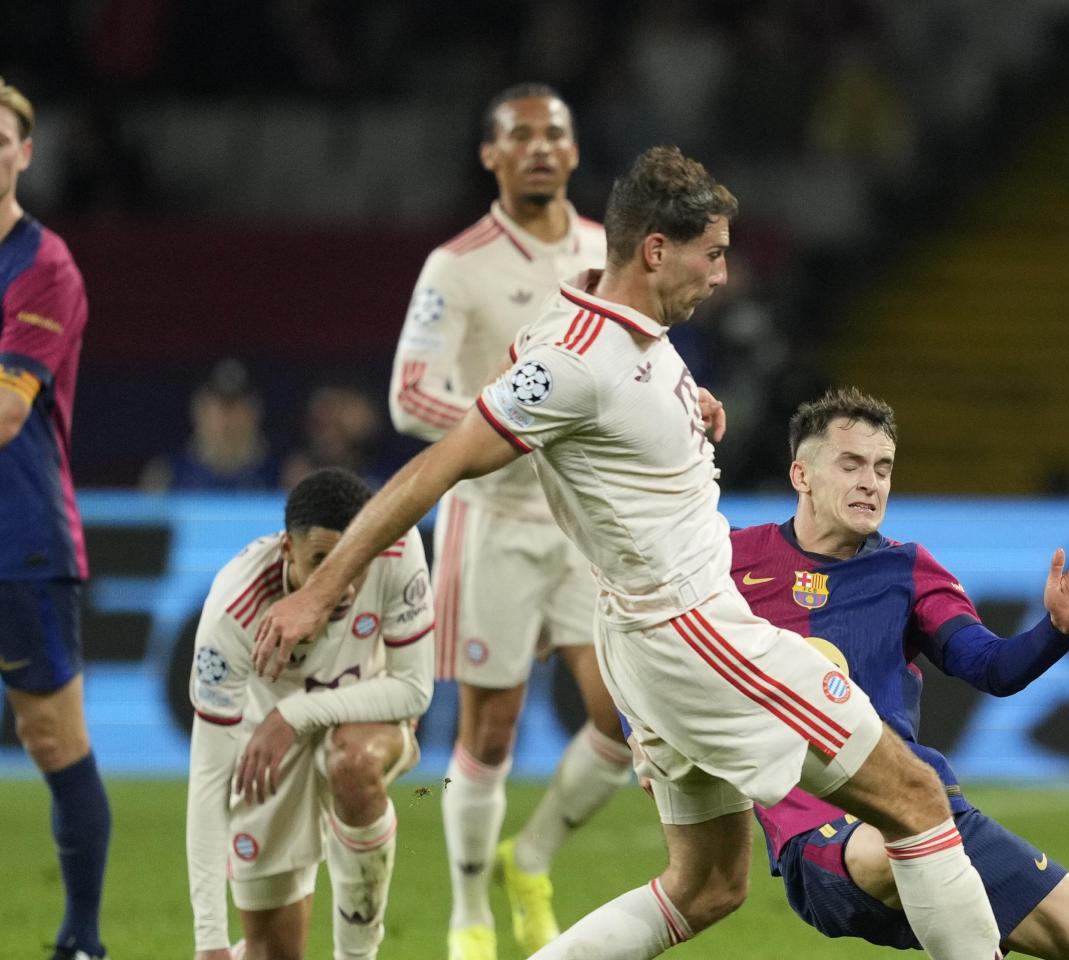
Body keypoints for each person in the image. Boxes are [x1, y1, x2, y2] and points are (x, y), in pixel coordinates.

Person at [257, 145, 1007, 960]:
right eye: (712, 253)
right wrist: (319, 587)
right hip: (697, 634)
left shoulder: (602, 327)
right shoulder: (581, 363)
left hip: (641, 639)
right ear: (656, 250)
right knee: (917, 797)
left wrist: (685, 413)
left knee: (708, 884)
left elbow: (586, 381)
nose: (722, 275)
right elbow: (441, 464)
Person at [737, 388, 1069, 960]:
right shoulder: (734, 561)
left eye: (883, 468)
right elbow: (648, 633)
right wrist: (642, 732)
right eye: (852, 464)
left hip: (932, 811)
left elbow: (990, 667)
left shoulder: (908, 570)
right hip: (827, 838)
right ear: (802, 475)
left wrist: (1057, 629)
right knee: (905, 844)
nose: (871, 482)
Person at [385, 81, 623, 959]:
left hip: (585, 524)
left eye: (553, 133)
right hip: (491, 518)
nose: (538, 147)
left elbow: (643, 361)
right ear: (490, 154)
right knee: (490, 729)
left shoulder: (610, 251)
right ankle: (470, 915)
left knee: (624, 721)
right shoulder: (459, 265)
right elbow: (410, 390)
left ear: (572, 150)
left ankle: (536, 856)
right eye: (518, 136)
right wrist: (503, 429)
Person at [185, 467, 435, 960]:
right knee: (272, 953)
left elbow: (413, 689)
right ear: (287, 551)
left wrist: (297, 712)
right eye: (320, 561)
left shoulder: (398, 546)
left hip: (368, 709)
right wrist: (209, 940)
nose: (339, 584)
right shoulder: (234, 610)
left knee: (354, 762)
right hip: (267, 742)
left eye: (351, 562)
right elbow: (209, 777)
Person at [0, 77, 110, 960]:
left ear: (24, 153)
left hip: (19, 537)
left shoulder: (45, 265)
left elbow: (5, 413)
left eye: (0, 136)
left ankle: (80, 938)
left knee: (50, 735)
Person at [138, 358, 280, 491]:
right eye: (219, 408)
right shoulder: (166, 477)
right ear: (198, 410)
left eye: (238, 407)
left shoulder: (283, 476)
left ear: (256, 411)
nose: (228, 420)